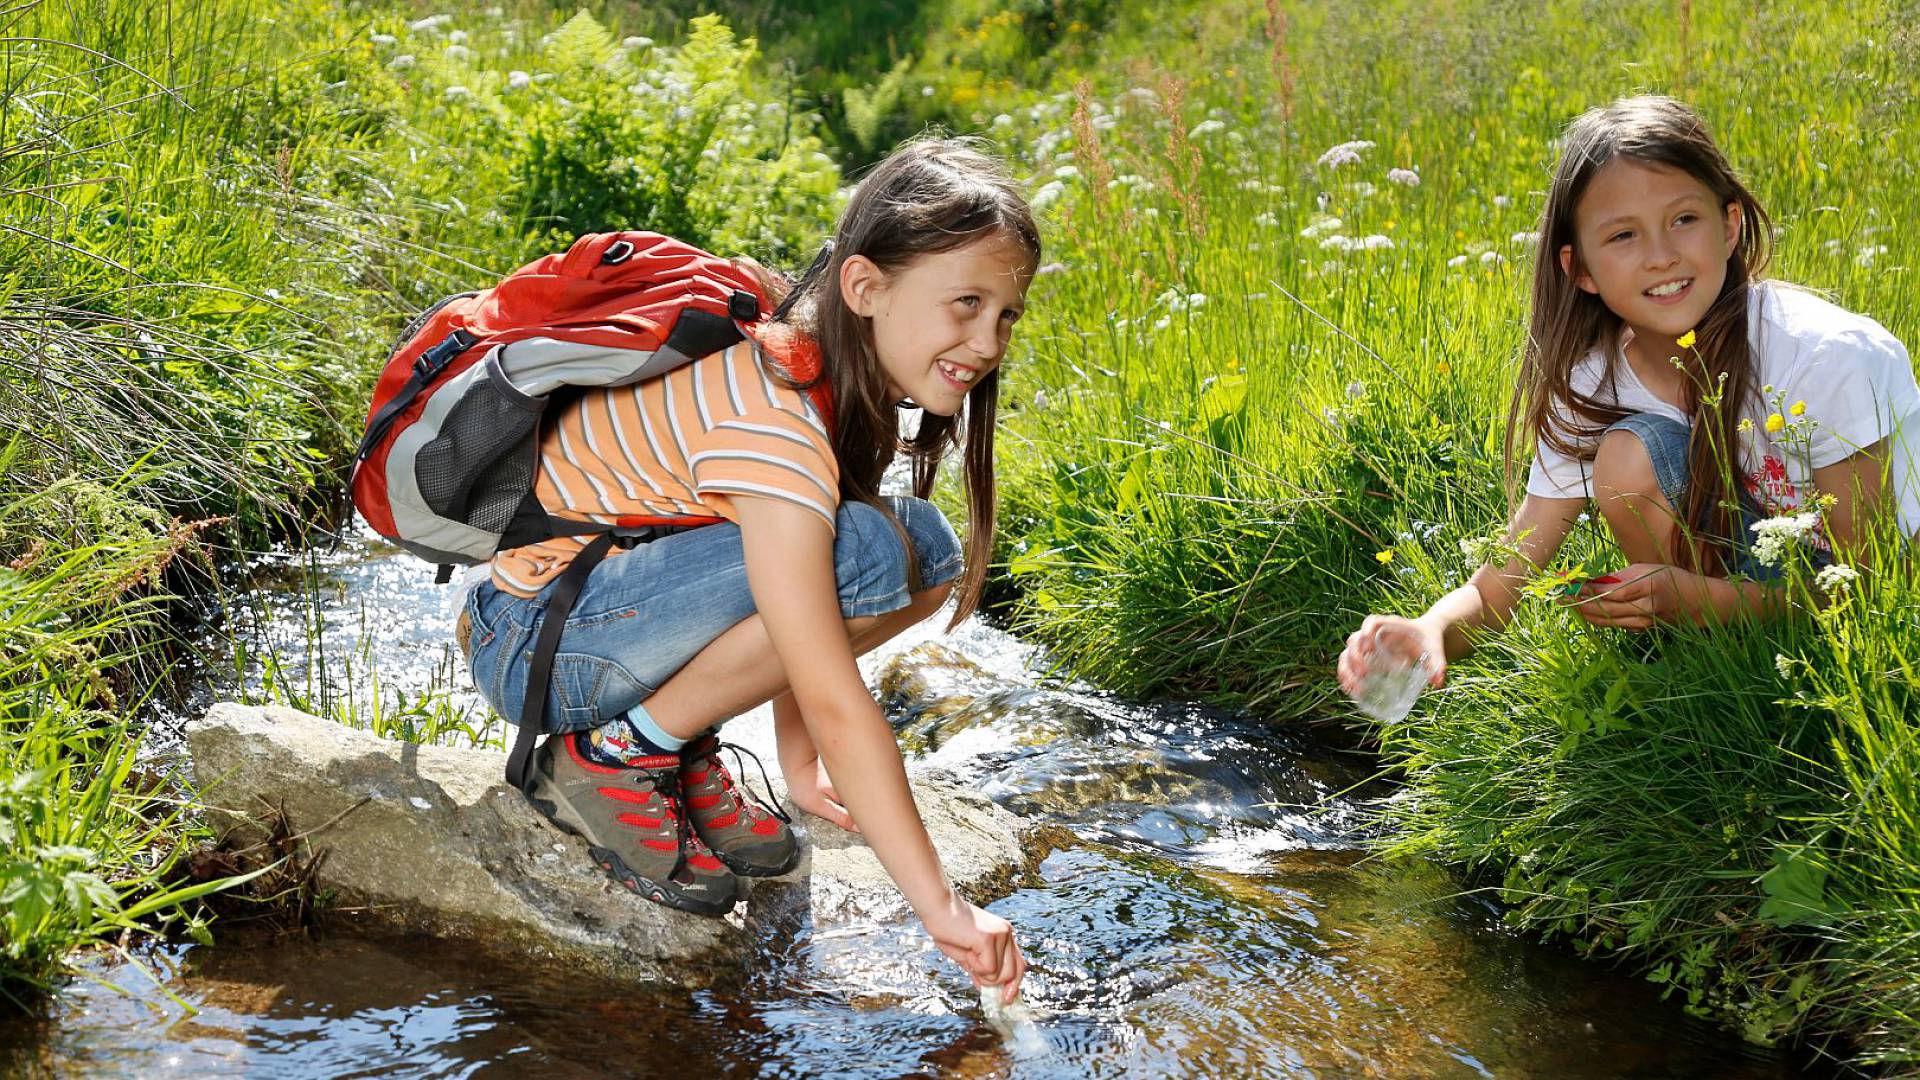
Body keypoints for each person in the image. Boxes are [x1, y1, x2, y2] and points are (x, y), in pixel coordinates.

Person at [458, 137, 1037, 1000]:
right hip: (535, 640)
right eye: (965, 304)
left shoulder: (821, 375)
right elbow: (831, 682)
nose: (986, 340)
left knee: (916, 547)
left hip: (600, 621)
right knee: (878, 547)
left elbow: (806, 614)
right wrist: (944, 909)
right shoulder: (775, 421)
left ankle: (669, 742)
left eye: (1005, 314)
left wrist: (800, 772)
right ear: (866, 287)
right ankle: (614, 757)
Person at [1338, 95, 1918, 695]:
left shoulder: (1826, 357)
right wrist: (1431, 631)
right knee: (1627, 455)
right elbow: (1505, 579)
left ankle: (1727, 653)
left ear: (1730, 225)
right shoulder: (1593, 382)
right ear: (1579, 268)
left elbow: (1875, 583)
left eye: (1684, 219)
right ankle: (1706, 675)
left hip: (1869, 591)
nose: (1661, 255)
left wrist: (1707, 600)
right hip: (1745, 580)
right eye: (1623, 236)